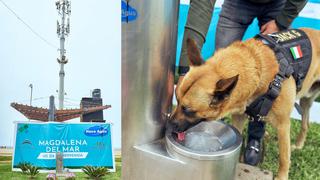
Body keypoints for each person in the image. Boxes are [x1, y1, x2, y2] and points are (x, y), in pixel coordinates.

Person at [177, 0, 307, 166]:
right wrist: (183, 70)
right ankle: (217, 134)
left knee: (266, 84)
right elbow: (202, 3)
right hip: (236, 4)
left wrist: (282, 21)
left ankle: (255, 139)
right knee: (221, 69)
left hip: (277, 4)